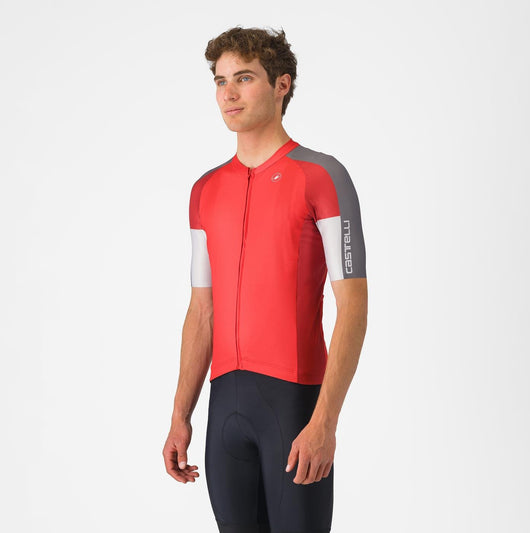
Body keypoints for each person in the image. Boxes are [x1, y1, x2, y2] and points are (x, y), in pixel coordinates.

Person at [163, 26, 368, 533]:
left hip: (294, 409)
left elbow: (354, 307)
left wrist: (324, 422)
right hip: (224, 414)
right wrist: (180, 415)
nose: (228, 93)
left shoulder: (321, 176)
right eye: (220, 81)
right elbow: (202, 310)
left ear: (281, 84)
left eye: (244, 78)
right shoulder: (205, 191)